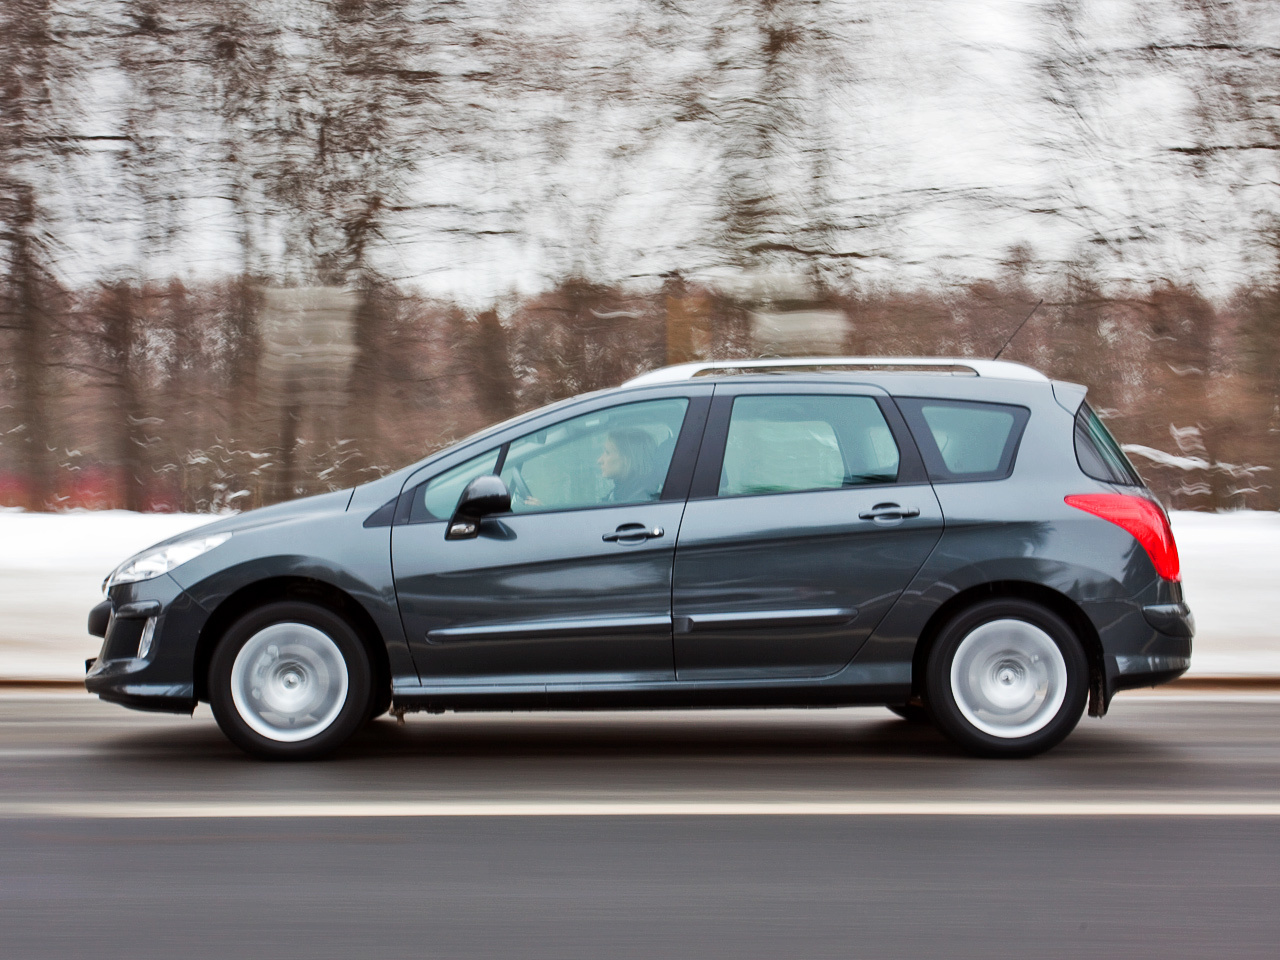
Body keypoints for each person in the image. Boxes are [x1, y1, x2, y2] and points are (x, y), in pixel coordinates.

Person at [598, 428, 661, 503]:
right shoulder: (621, 493)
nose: (599, 461)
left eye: (607, 453)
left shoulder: (639, 500)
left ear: (627, 459)